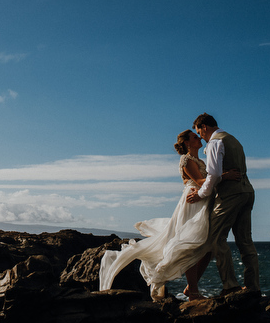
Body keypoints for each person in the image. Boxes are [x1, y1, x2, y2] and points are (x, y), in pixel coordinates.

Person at [99, 129, 239, 301]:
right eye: (195, 137)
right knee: (190, 244)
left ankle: (190, 288)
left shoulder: (199, 160)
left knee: (208, 248)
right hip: (192, 204)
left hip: (203, 203)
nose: (199, 138)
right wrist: (226, 176)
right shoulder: (186, 160)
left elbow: (208, 183)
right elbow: (202, 182)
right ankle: (194, 292)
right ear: (187, 142)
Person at [186, 113, 260, 295]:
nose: (201, 137)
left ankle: (230, 286)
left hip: (230, 196)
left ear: (204, 127)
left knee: (215, 239)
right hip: (247, 192)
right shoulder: (234, 140)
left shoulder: (215, 142)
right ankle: (253, 287)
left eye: (199, 132)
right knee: (245, 241)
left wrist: (201, 195)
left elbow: (214, 175)